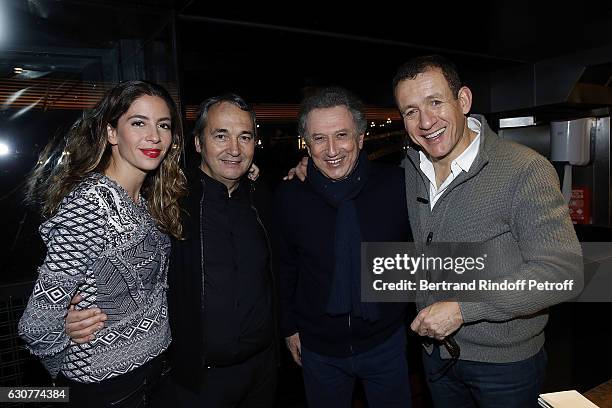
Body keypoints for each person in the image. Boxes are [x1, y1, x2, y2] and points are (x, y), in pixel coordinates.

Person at [393, 55, 582, 408]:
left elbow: (563, 273)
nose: (426, 121)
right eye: (411, 111)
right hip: (435, 356)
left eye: (435, 102)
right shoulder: (409, 166)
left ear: (463, 101)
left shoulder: (524, 169)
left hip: (505, 366)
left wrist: (464, 309)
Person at [18, 80, 186, 407]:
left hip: (155, 371)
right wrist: (63, 369)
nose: (154, 136)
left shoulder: (146, 200)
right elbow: (37, 324)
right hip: (105, 388)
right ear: (112, 133)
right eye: (138, 123)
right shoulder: (89, 207)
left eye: (163, 125)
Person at [275, 87, 413, 408]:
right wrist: (289, 327)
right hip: (319, 350)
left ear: (361, 138)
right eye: (319, 138)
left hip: (386, 342)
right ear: (306, 144)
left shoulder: (397, 186)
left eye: (342, 135)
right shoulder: (289, 195)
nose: (332, 149)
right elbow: (285, 266)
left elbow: (417, 251)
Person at [167, 93, 277, 407]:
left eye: (245, 137)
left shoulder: (263, 198)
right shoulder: (172, 204)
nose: (234, 149)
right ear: (198, 143)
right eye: (221, 136)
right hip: (199, 381)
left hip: (262, 371)